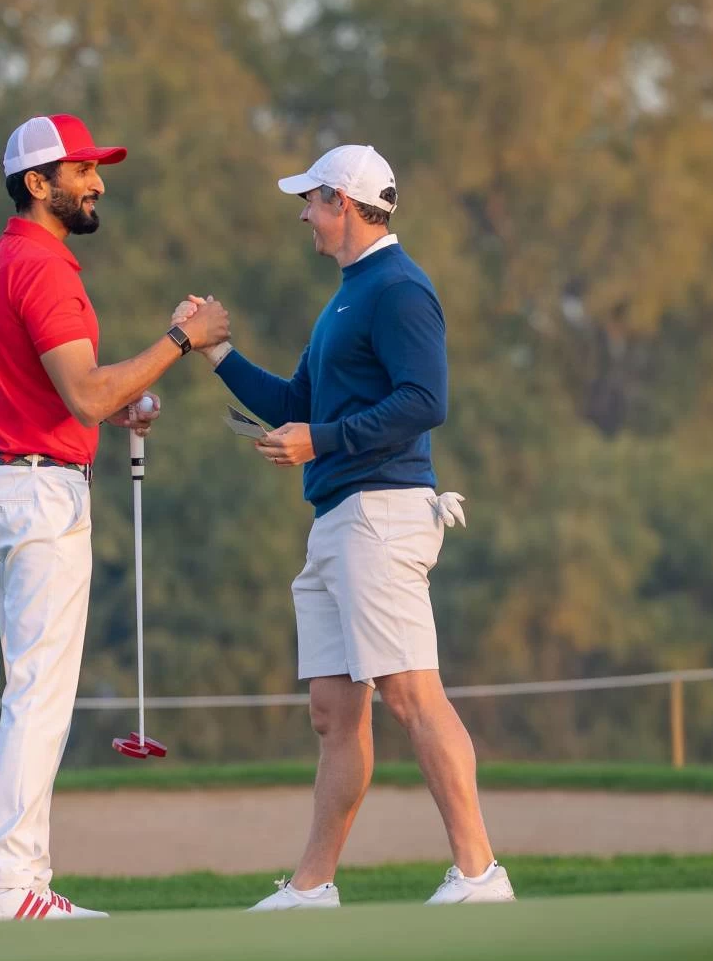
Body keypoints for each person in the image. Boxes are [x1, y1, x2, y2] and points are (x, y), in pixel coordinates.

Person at [175, 144, 514, 908]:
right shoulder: (347, 296)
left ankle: (478, 873)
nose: (303, 215)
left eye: (310, 201)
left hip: (381, 515)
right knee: (333, 714)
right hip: (336, 520)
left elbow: (424, 400)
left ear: (341, 202)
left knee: (411, 695)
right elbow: (296, 402)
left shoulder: (398, 288)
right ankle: (312, 885)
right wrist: (213, 348)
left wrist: (319, 441)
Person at [0, 113, 229, 923]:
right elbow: (85, 393)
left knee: (31, 690)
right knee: (39, 696)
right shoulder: (43, 267)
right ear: (37, 183)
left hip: (2, 481)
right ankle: (6, 882)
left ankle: (22, 881)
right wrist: (181, 339)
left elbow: (47, 390)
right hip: (37, 493)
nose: (97, 183)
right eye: (80, 170)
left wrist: (117, 404)